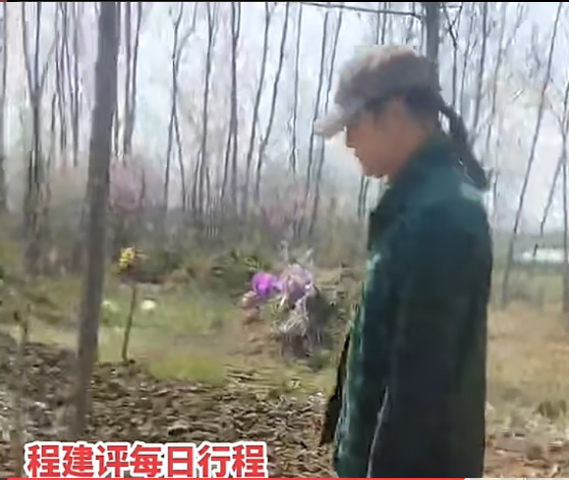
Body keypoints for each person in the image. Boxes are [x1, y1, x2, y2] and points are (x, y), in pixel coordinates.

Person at [316, 45, 493, 478]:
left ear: (394, 114)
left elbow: (419, 394)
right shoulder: (414, 205)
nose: (349, 142)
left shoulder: (441, 217)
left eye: (354, 125)